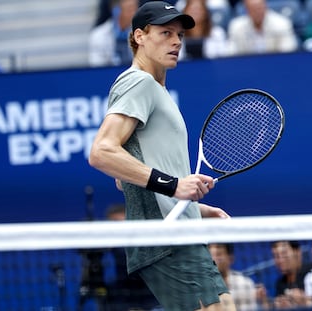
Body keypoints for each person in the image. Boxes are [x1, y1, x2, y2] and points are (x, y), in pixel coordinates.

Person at [89, 2, 236, 310]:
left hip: (179, 231)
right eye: (165, 33)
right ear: (139, 36)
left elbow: (122, 179)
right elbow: (102, 152)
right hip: (169, 239)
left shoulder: (155, 89)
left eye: (179, 34)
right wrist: (173, 186)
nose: (177, 42)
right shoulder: (138, 82)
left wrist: (195, 207)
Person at [104, 203, 162, 311]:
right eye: (115, 224)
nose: (120, 228)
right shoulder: (109, 244)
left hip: (149, 294)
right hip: (122, 296)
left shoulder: (146, 243)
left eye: (123, 223)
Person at [256, 240, 312, 309]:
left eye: (284, 254)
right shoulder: (280, 283)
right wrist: (264, 301)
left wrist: (303, 301)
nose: (280, 260)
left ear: (298, 252)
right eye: (276, 256)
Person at [226, 0, 298, 55]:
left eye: (259, 8)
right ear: (247, 10)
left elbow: (288, 52)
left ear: (265, 7)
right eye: (253, 9)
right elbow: (231, 54)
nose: (257, 12)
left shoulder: (281, 24)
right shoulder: (236, 27)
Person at [88, 0, 139, 67]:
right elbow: (97, 67)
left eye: (136, 8)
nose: (134, 13)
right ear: (116, 11)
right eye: (130, 9)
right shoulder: (99, 35)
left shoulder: (141, 33)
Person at [208, 243, 257, 311]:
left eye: (218, 255)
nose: (213, 260)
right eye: (210, 256)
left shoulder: (244, 284)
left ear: (230, 259)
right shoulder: (200, 287)